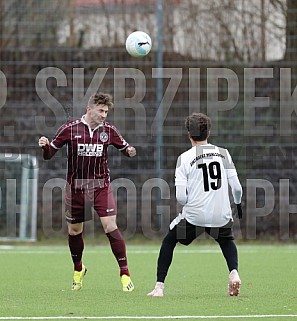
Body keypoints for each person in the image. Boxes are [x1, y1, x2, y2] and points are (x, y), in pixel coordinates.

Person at [38, 92, 136, 292]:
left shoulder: (109, 130)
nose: (104, 115)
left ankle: (125, 274)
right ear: (89, 109)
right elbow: (49, 155)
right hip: (75, 189)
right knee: (75, 231)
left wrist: (130, 151)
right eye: (100, 111)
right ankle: (78, 269)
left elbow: (125, 147)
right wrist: (45, 146)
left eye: (106, 111)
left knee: (110, 226)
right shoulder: (69, 129)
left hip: (101, 186)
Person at [147, 112, 243, 297]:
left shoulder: (184, 158)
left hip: (195, 216)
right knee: (226, 240)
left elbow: (182, 197)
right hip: (220, 214)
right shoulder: (224, 153)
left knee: (169, 240)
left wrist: (195, 202)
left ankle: (159, 287)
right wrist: (238, 205)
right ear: (209, 133)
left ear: (189, 134)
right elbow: (237, 188)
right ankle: (234, 273)